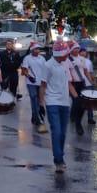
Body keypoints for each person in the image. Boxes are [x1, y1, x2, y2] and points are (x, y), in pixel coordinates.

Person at [38, 41, 79, 172]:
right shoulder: (48, 65)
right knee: (56, 131)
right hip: (52, 102)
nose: (68, 55)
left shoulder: (65, 63)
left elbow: (69, 83)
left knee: (63, 133)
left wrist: (77, 98)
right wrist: (41, 103)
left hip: (65, 103)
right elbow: (43, 85)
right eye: (66, 53)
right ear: (60, 54)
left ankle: (59, 157)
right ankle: (59, 160)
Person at [21, 41, 48, 129]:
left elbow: (45, 70)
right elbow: (24, 70)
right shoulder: (27, 58)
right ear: (32, 50)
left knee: (39, 100)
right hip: (31, 82)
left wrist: (46, 81)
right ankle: (37, 118)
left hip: (40, 82)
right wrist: (29, 76)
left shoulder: (42, 59)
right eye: (36, 49)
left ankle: (34, 115)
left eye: (38, 49)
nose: (37, 50)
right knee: (33, 97)